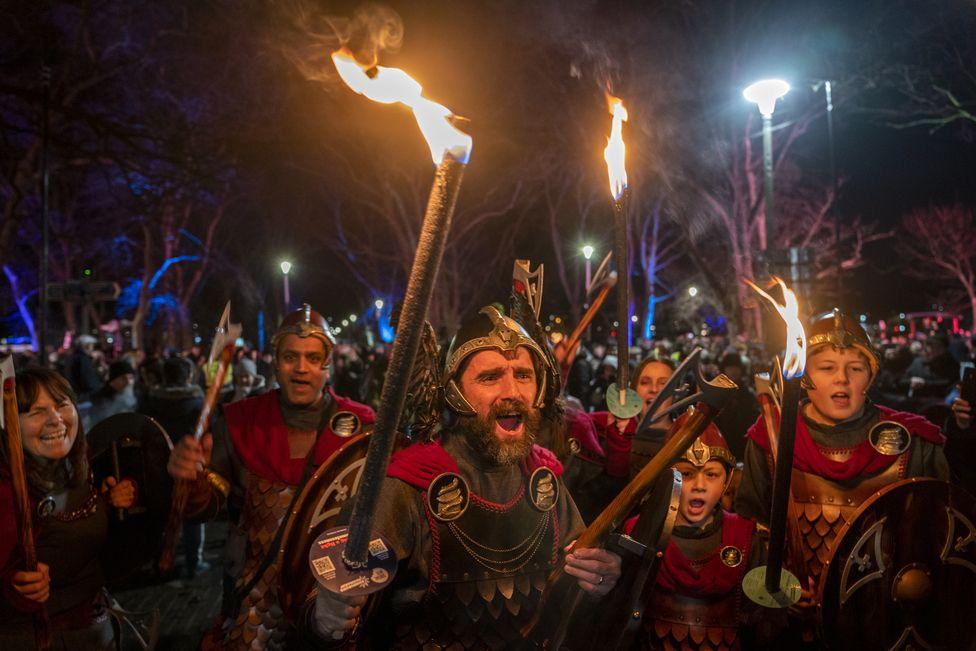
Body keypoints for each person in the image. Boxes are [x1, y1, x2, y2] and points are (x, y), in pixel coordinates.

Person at [307, 305, 622, 648]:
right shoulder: (408, 486)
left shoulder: (543, 483)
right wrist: (325, 617)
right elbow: (328, 611)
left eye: (523, 375)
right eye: (490, 377)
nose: (512, 392)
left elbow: (565, 601)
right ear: (455, 392)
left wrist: (598, 580)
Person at [166, 305, 376, 649]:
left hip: (333, 601)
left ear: (328, 365)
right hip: (256, 604)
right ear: (275, 362)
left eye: (312, 357)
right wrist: (193, 480)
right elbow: (207, 507)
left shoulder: (361, 426)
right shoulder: (240, 422)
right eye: (290, 357)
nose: (301, 369)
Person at [735, 309, 949, 641]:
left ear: (871, 377)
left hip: (882, 626)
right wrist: (775, 586)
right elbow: (749, 526)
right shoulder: (770, 439)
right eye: (827, 368)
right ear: (806, 377)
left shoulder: (915, 442)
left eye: (855, 368)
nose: (842, 379)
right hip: (793, 633)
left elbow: (940, 541)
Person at [0, 367, 137, 649]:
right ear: (9, 425)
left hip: (97, 627)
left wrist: (108, 504)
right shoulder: (5, 492)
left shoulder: (79, 468)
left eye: (62, 404)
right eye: (36, 412)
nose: (55, 419)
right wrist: (15, 587)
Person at [621, 427, 762, 650]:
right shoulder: (639, 532)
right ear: (666, 478)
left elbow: (759, 621)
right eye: (686, 474)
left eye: (711, 474)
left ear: (727, 481)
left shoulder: (745, 537)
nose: (699, 486)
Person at [87, 360, 137, 428]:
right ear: (112, 381)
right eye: (123, 378)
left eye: (131, 378)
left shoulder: (138, 396)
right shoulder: (100, 401)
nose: (129, 382)